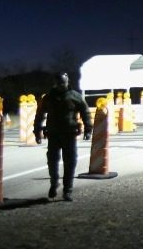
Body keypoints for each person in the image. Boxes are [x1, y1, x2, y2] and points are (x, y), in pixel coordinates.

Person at [34, 72, 92, 201]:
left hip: (69, 134)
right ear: (55, 83)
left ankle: (68, 190)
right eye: (59, 83)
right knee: (52, 161)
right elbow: (40, 115)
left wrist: (88, 129)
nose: (61, 85)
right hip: (53, 134)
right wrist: (37, 131)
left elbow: (85, 113)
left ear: (67, 82)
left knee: (70, 163)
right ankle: (54, 182)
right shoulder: (48, 97)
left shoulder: (75, 97)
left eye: (63, 83)